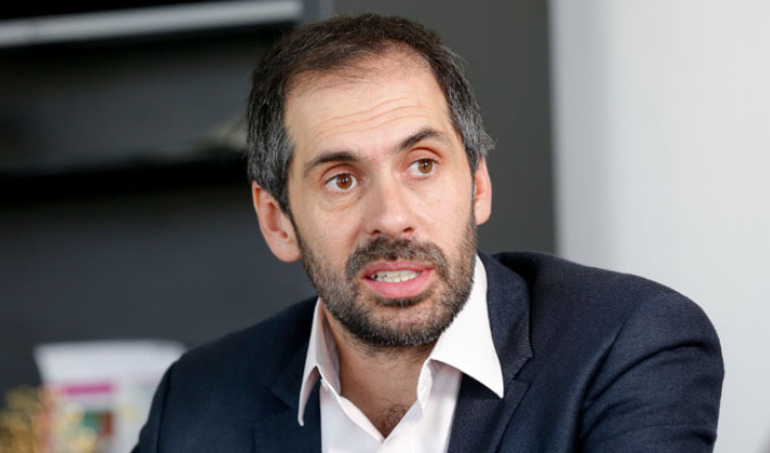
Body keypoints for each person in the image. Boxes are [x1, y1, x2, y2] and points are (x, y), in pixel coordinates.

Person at [133, 13, 723, 453]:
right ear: (277, 220)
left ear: (478, 184)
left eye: (422, 164)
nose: (392, 217)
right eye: (341, 179)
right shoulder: (197, 401)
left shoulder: (630, 344)